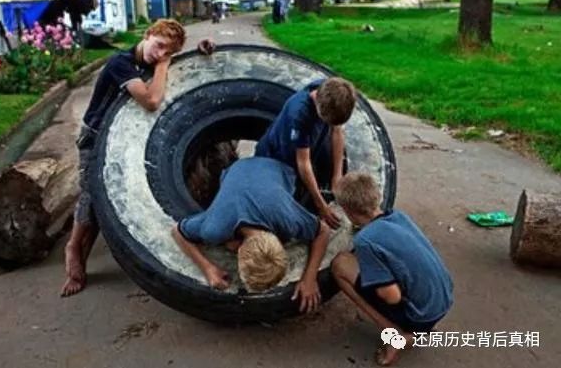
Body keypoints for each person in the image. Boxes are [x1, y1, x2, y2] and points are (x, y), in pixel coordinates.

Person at [61, 19, 215, 297]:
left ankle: (85, 245)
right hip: (95, 137)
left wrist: (203, 48)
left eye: (167, 52)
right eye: (158, 46)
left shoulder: (153, 56)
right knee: (91, 194)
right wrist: (164, 65)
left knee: (107, 193)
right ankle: (73, 248)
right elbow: (151, 100)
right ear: (147, 35)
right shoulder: (121, 62)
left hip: (123, 136)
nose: (159, 54)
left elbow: (177, 57)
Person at [172, 156, 336, 313]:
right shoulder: (215, 228)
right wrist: (207, 268)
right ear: (240, 251)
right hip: (237, 170)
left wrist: (309, 277)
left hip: (277, 169)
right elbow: (177, 231)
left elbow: (323, 231)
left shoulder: (287, 218)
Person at [330, 172, 454, 366]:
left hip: (420, 314)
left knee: (340, 265)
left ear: (348, 211)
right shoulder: (397, 216)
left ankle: (396, 337)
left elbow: (391, 296)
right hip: (443, 299)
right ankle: (419, 331)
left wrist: (373, 280)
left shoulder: (365, 240)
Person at [254, 77, 357, 229]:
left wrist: (337, 175)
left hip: (309, 146)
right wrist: (321, 205)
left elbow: (337, 131)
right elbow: (303, 162)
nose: (329, 126)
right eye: (327, 122)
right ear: (318, 107)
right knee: (280, 204)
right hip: (276, 157)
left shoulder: (333, 91)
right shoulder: (299, 113)